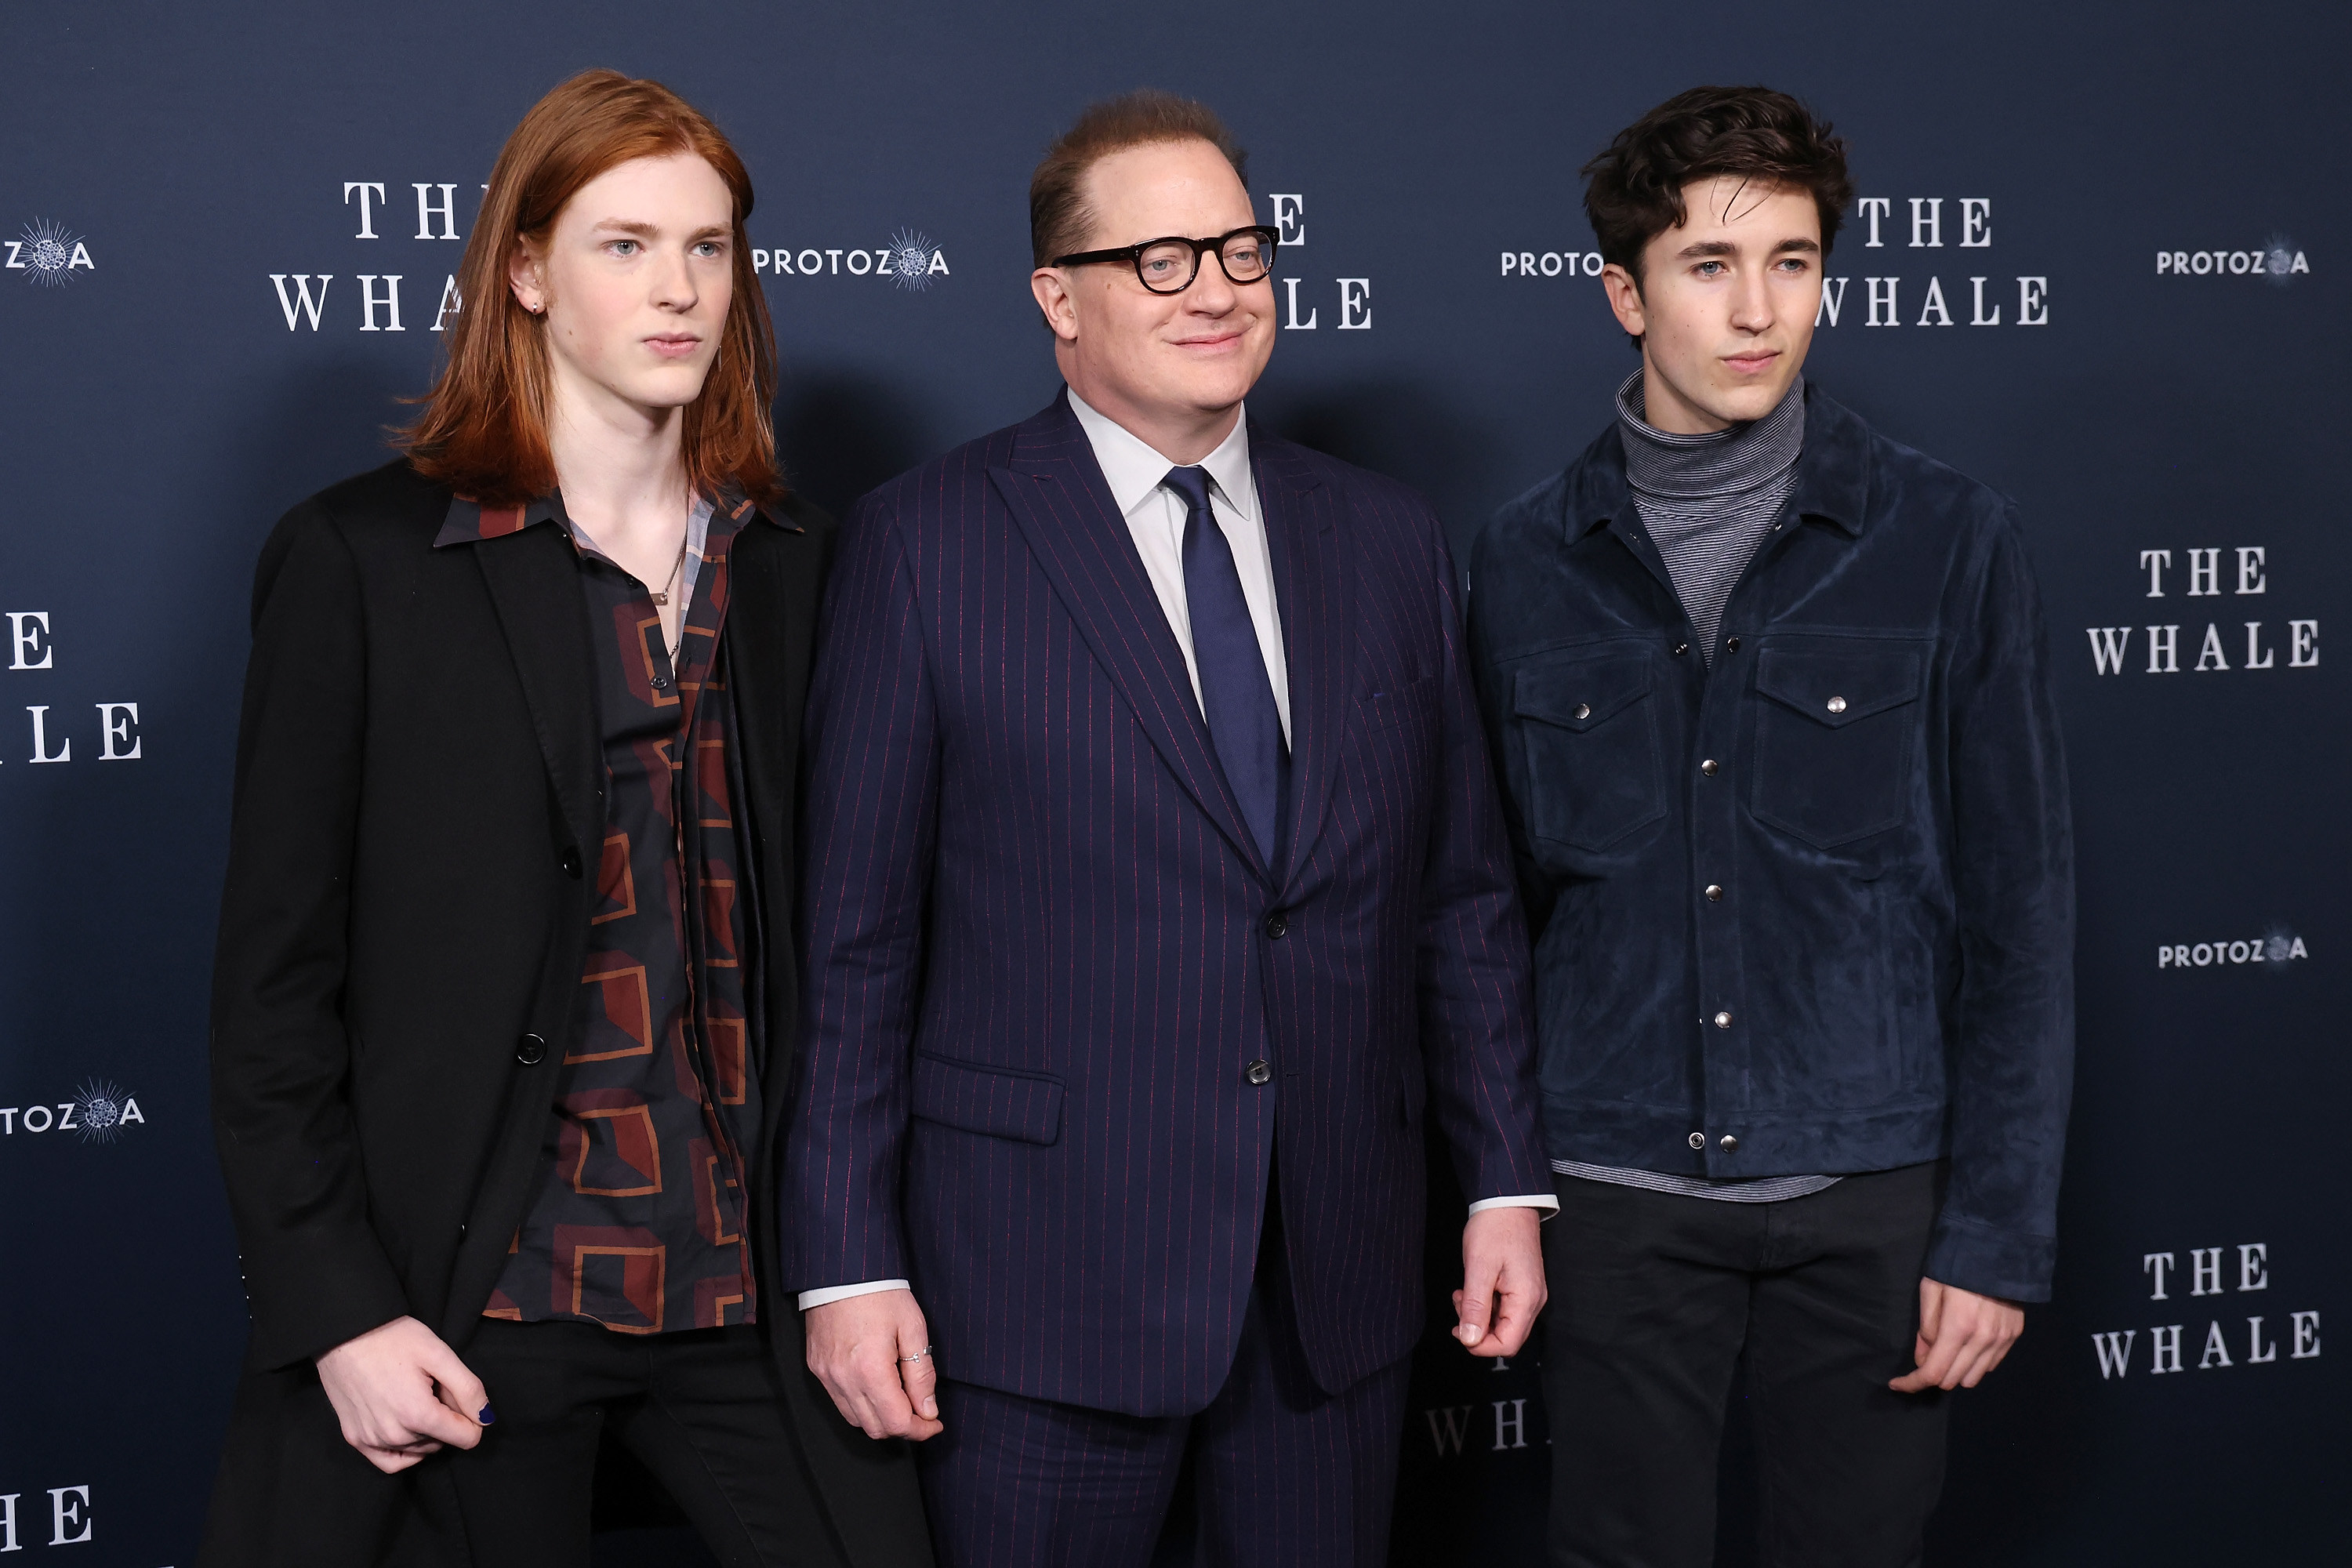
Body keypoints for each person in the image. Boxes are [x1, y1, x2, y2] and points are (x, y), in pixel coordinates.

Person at [781, 89, 1552, 1567]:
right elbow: (857, 944)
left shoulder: (1386, 537)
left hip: (1334, 1277)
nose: (1217, 287)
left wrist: (1505, 1176)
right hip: (1037, 1285)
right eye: (1161, 258)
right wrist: (843, 1264)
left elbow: (1460, 897)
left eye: (1241, 248)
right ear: (1055, 299)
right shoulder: (923, 543)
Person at [201, 70, 928, 1568]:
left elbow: (862, 948)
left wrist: (861, 1254)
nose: (679, 290)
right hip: (480, 1293)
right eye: (626, 244)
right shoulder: (369, 563)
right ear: (525, 270)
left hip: (751, 1284)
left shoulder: (803, 566)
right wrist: (338, 1307)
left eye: (710, 247)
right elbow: (274, 990)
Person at [1467, 85, 2076, 1566]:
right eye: (1708, 265)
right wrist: (1504, 1186)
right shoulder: (1524, 561)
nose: (1758, 311)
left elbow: (2023, 916)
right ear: (1625, 291)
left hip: (1873, 1201)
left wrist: (1993, 1236)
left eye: (1792, 263)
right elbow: (1479, 914)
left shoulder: (1949, 537)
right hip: (1612, 1205)